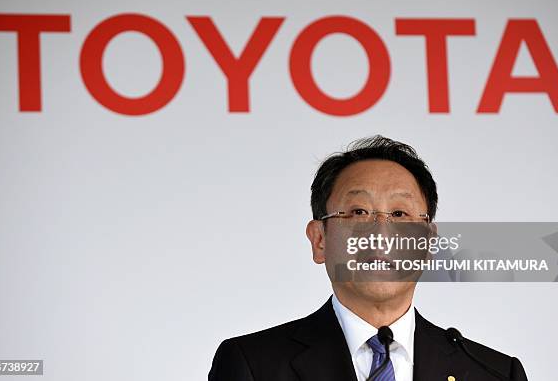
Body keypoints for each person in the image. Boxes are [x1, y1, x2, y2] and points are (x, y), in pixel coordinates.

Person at [208, 135, 528, 381]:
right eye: (359, 212)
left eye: (400, 214)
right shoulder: (252, 364)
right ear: (320, 240)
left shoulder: (494, 372)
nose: (381, 233)